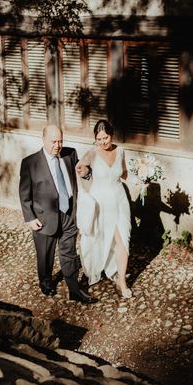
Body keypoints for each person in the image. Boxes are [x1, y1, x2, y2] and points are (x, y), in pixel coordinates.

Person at [19, 125, 98, 304]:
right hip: (44, 217)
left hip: (68, 213)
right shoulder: (30, 163)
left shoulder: (70, 154)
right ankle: (45, 280)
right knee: (45, 254)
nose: (58, 145)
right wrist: (30, 218)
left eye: (60, 141)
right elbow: (24, 194)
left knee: (68, 252)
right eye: (53, 142)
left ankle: (74, 289)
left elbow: (82, 174)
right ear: (44, 140)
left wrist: (86, 173)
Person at [75, 120, 132, 299]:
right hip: (101, 202)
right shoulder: (92, 154)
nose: (103, 142)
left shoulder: (120, 151)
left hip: (120, 201)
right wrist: (83, 171)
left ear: (111, 135)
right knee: (99, 238)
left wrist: (143, 174)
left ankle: (121, 281)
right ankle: (99, 268)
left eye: (105, 137)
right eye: (99, 139)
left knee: (123, 238)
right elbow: (81, 169)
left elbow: (124, 173)